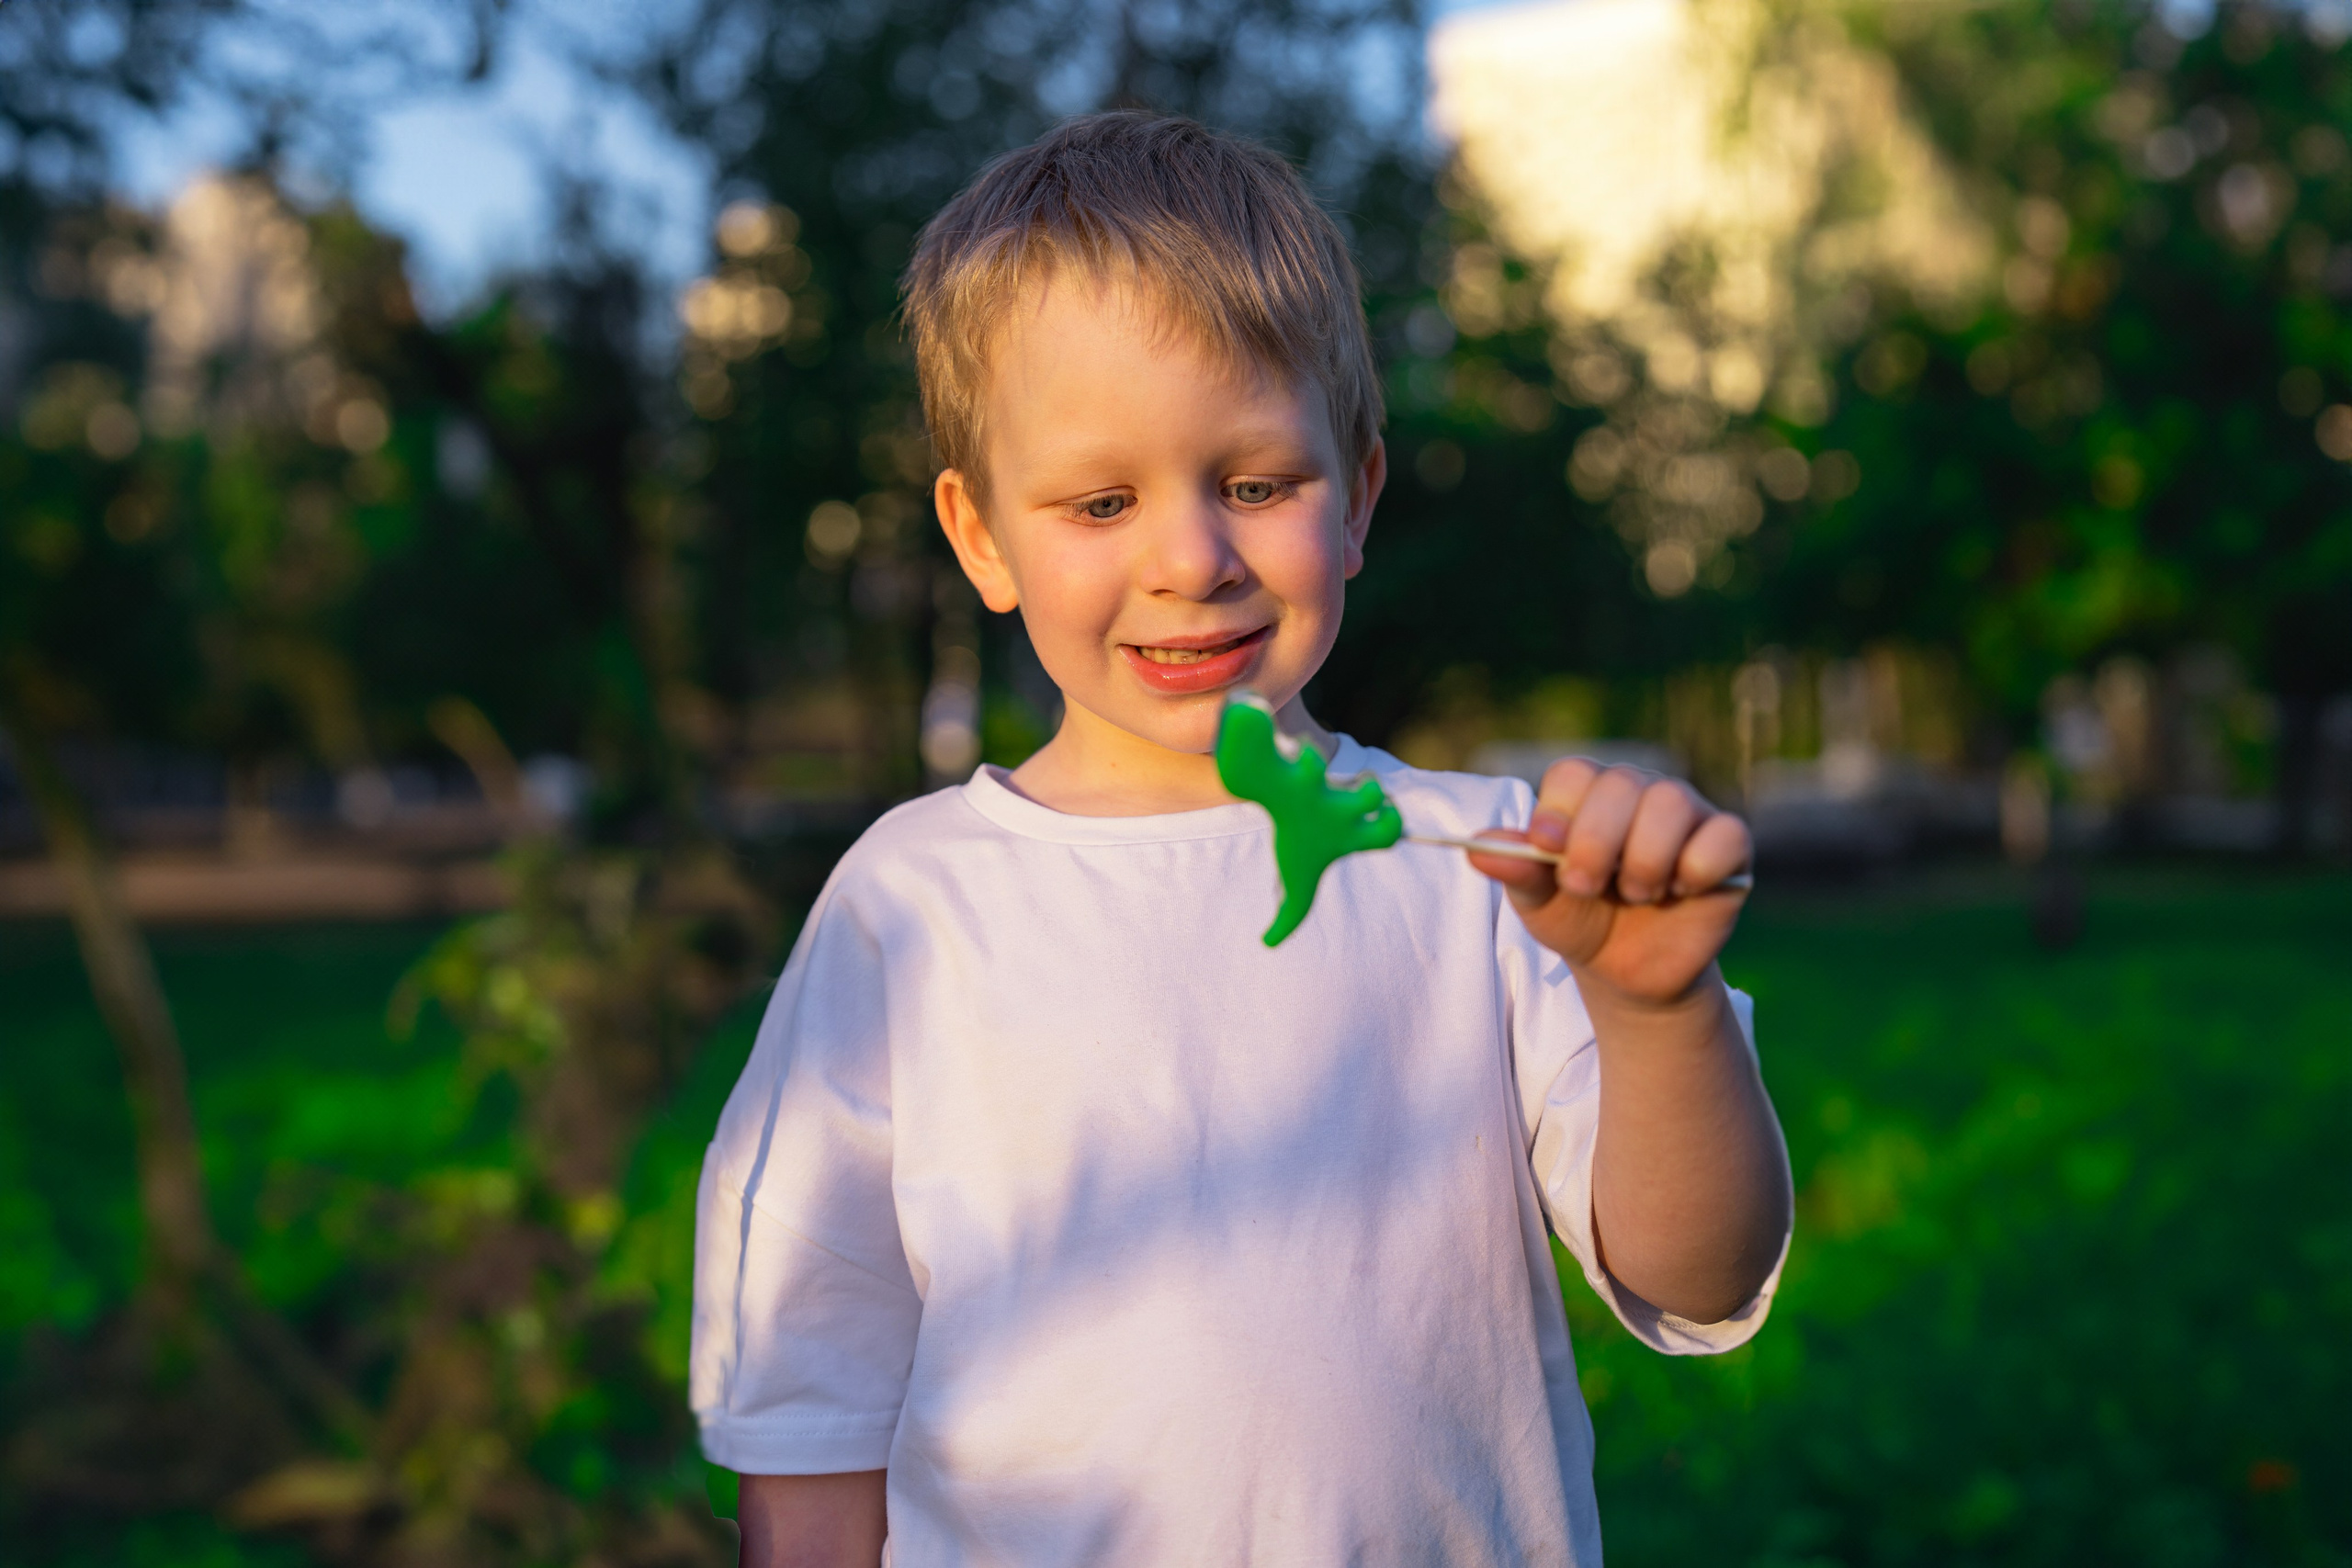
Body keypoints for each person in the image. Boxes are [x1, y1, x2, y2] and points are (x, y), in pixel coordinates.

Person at [691, 111, 1792, 1567]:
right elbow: (809, 1397)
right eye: (1100, 502)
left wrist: (1656, 1010)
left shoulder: (1491, 867)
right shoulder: (911, 907)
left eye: (1259, 486)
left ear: (1360, 497)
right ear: (982, 539)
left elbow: (1699, 1272)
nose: (1191, 560)